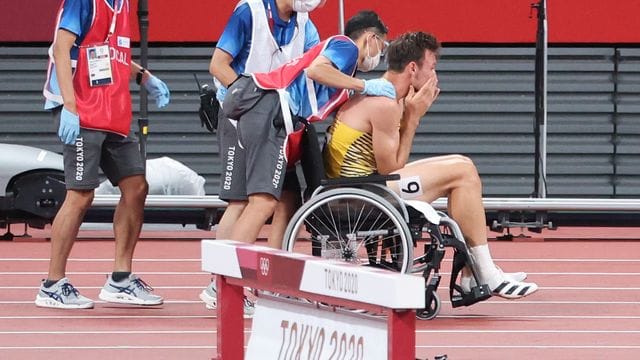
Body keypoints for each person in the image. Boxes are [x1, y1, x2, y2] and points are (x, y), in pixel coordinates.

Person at [323, 31, 538, 299]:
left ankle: (475, 274)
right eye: (432, 67)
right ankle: (485, 273)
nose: (435, 76)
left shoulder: (388, 95)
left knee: (462, 165)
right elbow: (390, 169)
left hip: (364, 184)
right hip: (363, 193)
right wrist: (412, 120)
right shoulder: (384, 104)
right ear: (413, 68)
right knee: (462, 171)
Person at [36, 0, 171, 309]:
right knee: (81, 194)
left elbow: (112, 52)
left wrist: (144, 77)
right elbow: (61, 48)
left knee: (136, 186)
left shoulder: (123, 5)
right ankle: (52, 284)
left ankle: (120, 280)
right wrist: (69, 107)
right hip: (81, 110)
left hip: (113, 111)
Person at [221, 10, 396, 246]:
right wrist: (364, 86)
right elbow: (316, 70)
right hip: (271, 110)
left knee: (289, 200)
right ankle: (227, 279)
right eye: (382, 47)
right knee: (263, 202)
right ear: (370, 38)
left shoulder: (344, 75)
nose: (380, 55)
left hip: (277, 117)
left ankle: (272, 273)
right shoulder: (346, 47)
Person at [201, 0, 326, 314]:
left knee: (287, 198)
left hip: (279, 121)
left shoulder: (304, 22)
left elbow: (315, 66)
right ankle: (222, 284)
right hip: (241, 118)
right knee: (243, 201)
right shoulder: (250, 12)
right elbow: (218, 65)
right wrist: (250, 97)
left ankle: (275, 284)